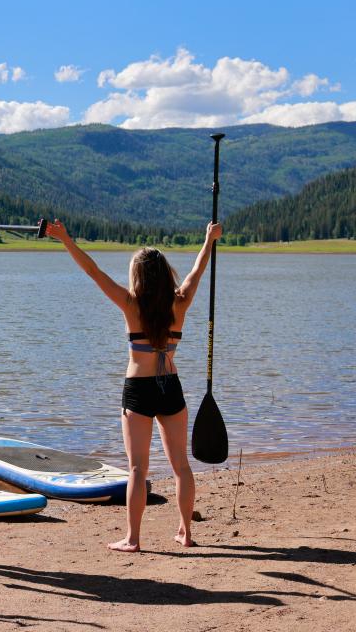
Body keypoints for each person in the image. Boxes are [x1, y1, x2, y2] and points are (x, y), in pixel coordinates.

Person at [44, 219, 223, 552]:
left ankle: (134, 538)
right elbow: (197, 271)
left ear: (138, 276)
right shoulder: (179, 302)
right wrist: (208, 240)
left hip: (138, 390)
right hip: (170, 386)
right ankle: (185, 532)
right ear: (164, 273)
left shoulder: (130, 304)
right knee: (181, 466)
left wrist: (66, 240)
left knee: (137, 468)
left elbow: (93, 272)